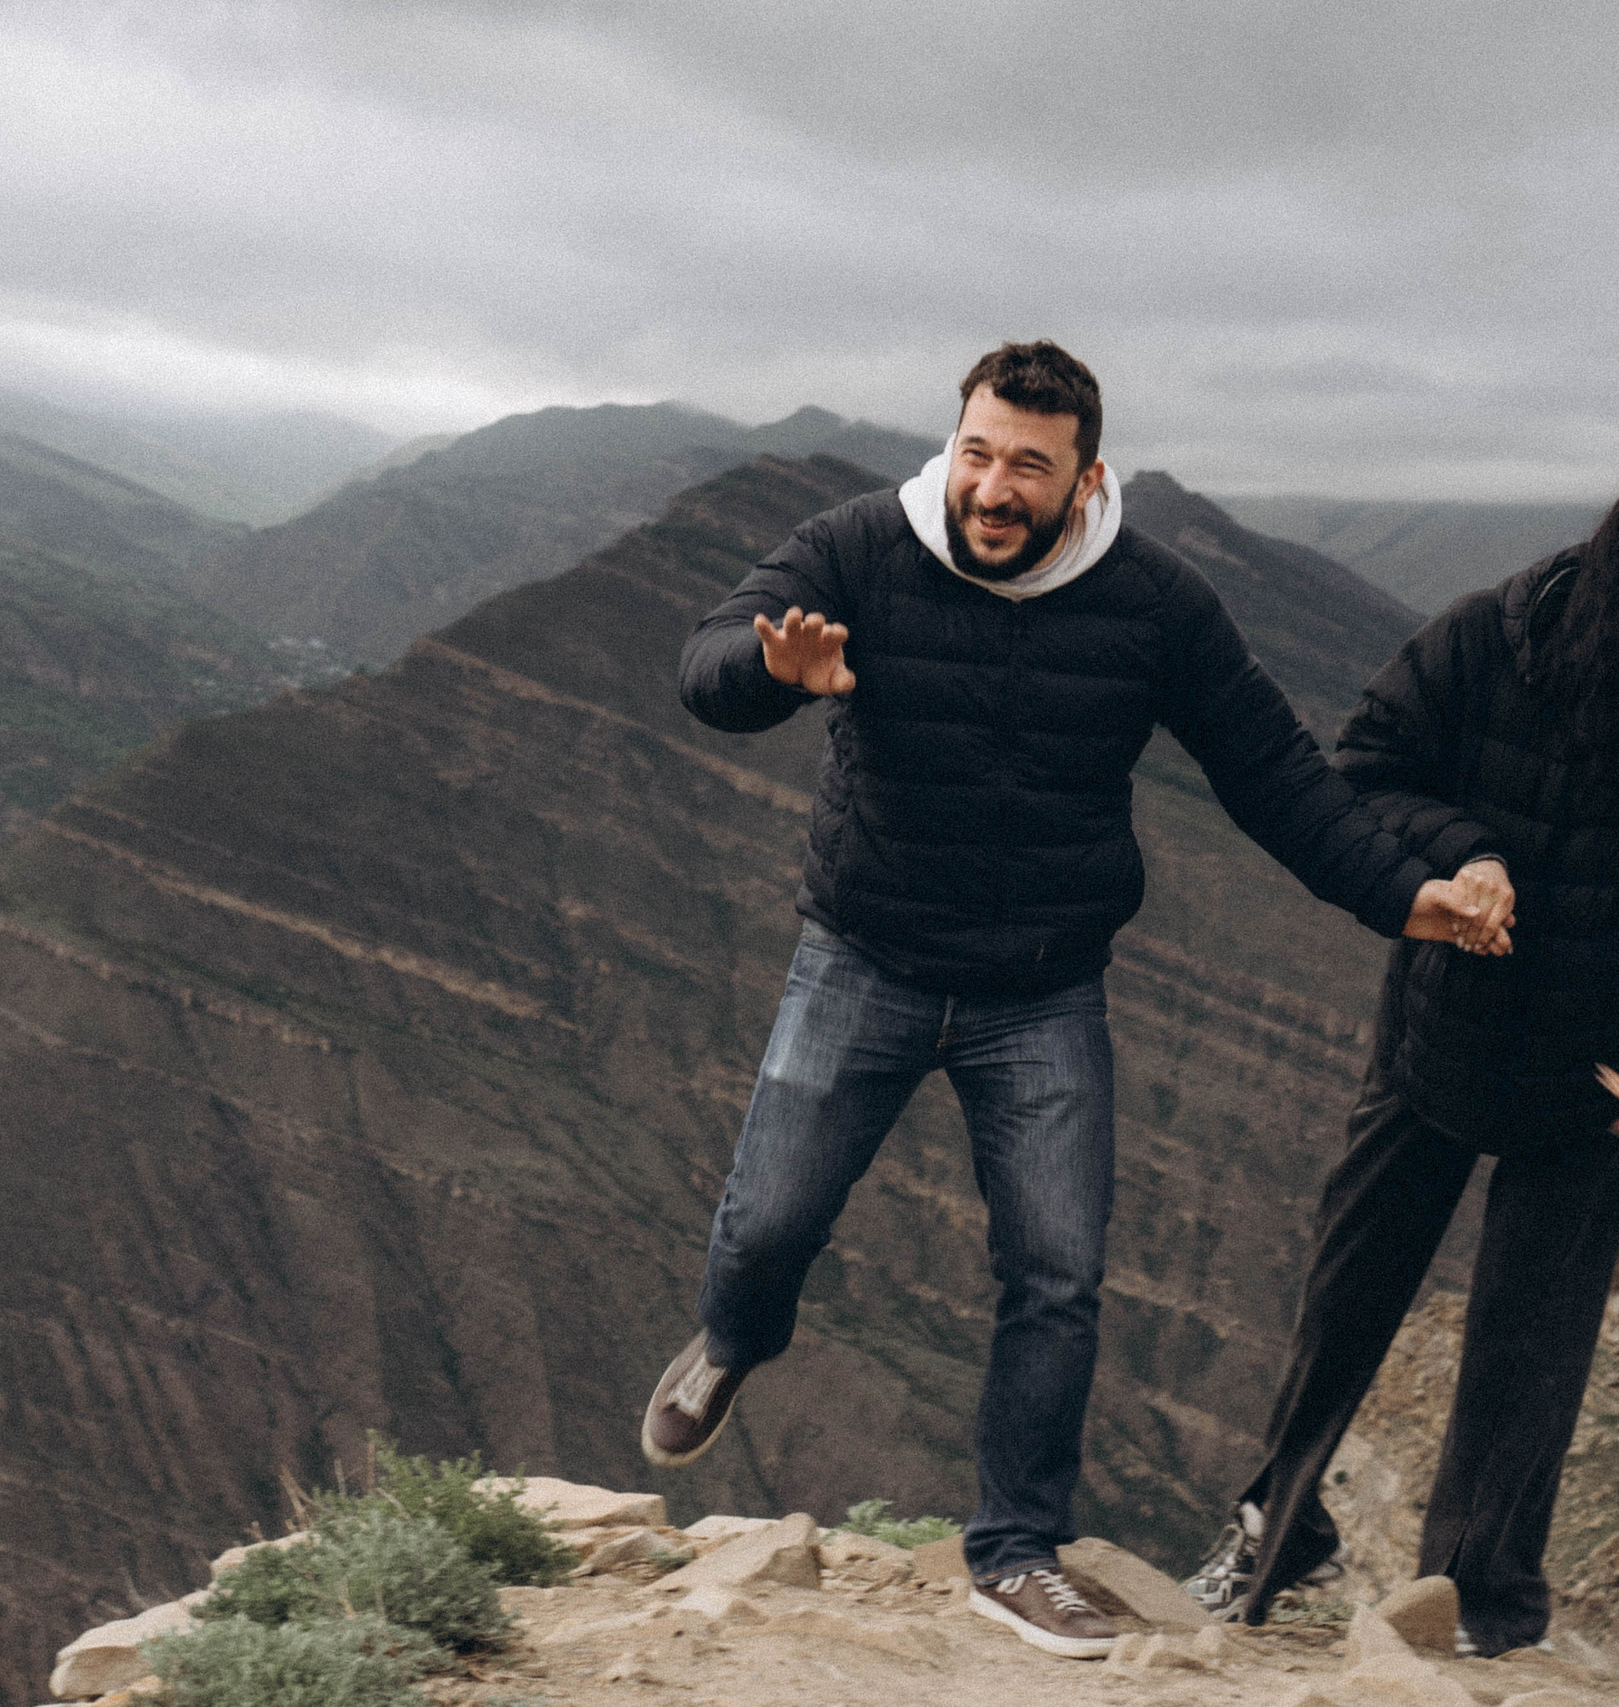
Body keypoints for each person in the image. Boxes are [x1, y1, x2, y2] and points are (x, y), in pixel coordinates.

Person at [642, 340, 1511, 1661]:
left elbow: (1275, 775)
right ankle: (731, 1336)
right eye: (979, 454)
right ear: (956, 445)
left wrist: (1407, 895)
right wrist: (778, 676)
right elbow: (710, 661)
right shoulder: (862, 546)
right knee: (768, 1223)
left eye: (1028, 468)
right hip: (865, 957)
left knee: (1056, 1273)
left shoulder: (1152, 603)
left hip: (1041, 989)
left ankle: (1015, 1550)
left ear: (1083, 479)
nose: (993, 488)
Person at [1182, 461, 1619, 1653]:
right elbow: (1369, 767)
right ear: (1609, 563)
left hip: (1595, 1074)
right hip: (1435, 1031)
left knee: (1530, 1351)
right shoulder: (1488, 635)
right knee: (1346, 1301)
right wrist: (1465, 856)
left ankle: (1471, 1603)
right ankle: (1275, 1530)